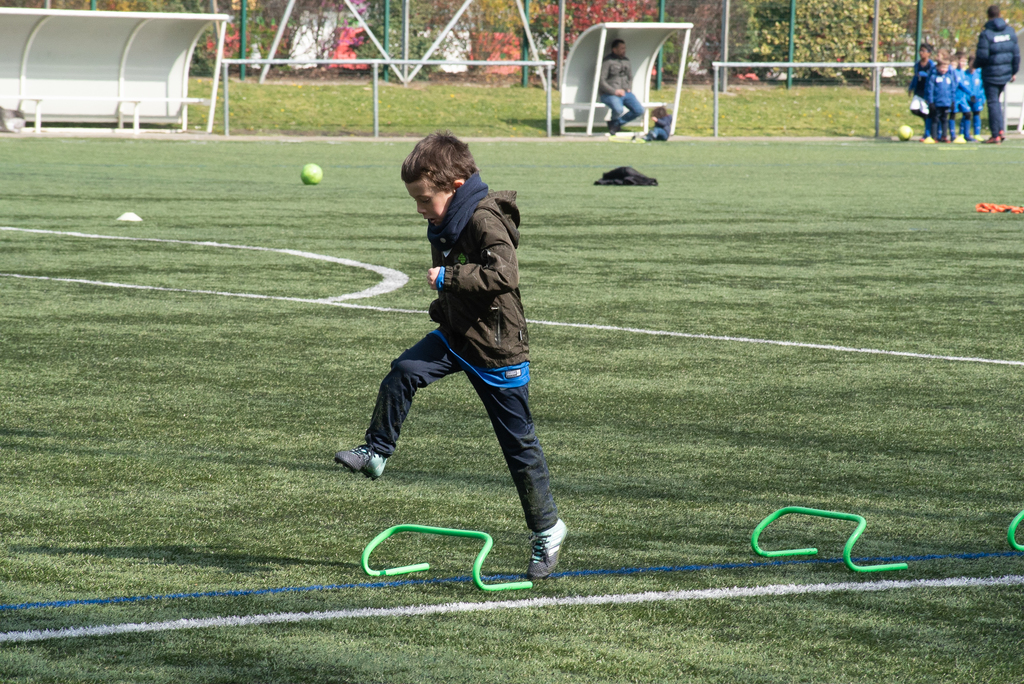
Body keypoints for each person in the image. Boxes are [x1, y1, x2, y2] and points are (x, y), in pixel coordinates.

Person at [334, 131, 566, 580]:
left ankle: (548, 529)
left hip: (496, 348)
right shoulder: (445, 219)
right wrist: (444, 305)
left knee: (518, 446)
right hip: (457, 336)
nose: (420, 209)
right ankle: (377, 451)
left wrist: (448, 278)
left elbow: (505, 274)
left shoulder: (483, 218)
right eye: (415, 201)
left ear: (455, 186)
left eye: (424, 200)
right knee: (404, 370)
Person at [973, 4, 1020, 143]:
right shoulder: (1010, 31)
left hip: (991, 73)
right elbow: (1016, 54)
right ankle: (1000, 130)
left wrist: (974, 65)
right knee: (997, 102)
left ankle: (996, 134)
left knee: (993, 102)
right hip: (1005, 73)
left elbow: (982, 56)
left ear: (988, 16)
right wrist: (1013, 71)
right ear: (1000, 15)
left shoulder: (986, 33)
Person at [599, 39, 644, 135]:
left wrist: (629, 87)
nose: (624, 50)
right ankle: (614, 125)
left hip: (625, 93)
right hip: (609, 94)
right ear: (614, 49)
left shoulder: (626, 61)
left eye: (624, 48)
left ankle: (616, 124)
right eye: (621, 48)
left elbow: (630, 77)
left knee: (639, 110)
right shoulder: (607, 61)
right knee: (618, 109)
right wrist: (614, 91)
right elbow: (601, 81)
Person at [925, 51, 956, 143]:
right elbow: (930, 90)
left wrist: (952, 101)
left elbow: (952, 90)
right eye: (942, 67)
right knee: (935, 119)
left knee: (944, 120)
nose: (944, 69)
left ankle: (944, 136)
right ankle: (934, 136)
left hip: (946, 103)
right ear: (938, 67)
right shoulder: (934, 77)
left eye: (946, 67)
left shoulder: (949, 78)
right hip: (937, 103)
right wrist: (931, 102)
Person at [908, 43, 935, 141]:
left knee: (926, 111)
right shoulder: (917, 64)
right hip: (918, 91)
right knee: (914, 109)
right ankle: (927, 119)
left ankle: (927, 134)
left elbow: (932, 78)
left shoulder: (931, 65)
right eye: (920, 50)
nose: (921, 53)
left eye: (923, 51)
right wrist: (911, 87)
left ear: (929, 53)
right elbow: (915, 77)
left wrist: (926, 75)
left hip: (926, 92)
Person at [966, 55, 988, 141]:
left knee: (977, 114)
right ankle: (966, 134)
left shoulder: (979, 74)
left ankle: (977, 134)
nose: (972, 68)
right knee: (966, 115)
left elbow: (983, 87)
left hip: (977, 99)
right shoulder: (965, 74)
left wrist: (983, 98)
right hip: (967, 99)